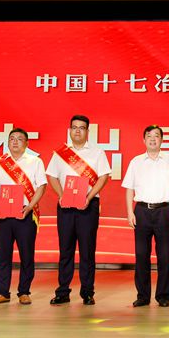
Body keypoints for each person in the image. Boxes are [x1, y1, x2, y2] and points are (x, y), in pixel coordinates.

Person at [46, 115, 111, 305]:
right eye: (74, 127)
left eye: (81, 128)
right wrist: (61, 196)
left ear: (87, 131)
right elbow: (52, 177)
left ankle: (87, 292)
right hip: (65, 206)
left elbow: (103, 177)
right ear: (69, 130)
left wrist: (88, 197)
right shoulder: (60, 153)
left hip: (88, 206)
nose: (77, 131)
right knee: (65, 250)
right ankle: (62, 292)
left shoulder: (97, 153)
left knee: (87, 250)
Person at [122, 125, 169, 308]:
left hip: (164, 210)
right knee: (141, 255)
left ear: (161, 140)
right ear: (144, 140)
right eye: (149, 136)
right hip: (141, 211)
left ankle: (163, 296)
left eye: (156, 136)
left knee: (164, 255)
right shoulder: (136, 162)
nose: (152, 139)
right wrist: (129, 212)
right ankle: (143, 295)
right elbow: (129, 189)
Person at [0, 128, 47, 305]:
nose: (14, 142)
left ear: (27, 143)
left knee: (26, 255)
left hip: (25, 213)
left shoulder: (35, 162)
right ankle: (2, 292)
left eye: (19, 139)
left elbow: (41, 186)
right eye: (12, 138)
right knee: (3, 255)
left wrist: (30, 207)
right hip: (3, 214)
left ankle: (24, 291)